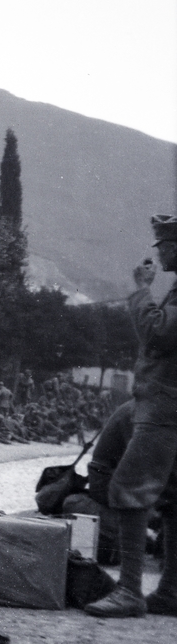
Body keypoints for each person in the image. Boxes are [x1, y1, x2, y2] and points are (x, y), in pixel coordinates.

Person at [85, 214, 177, 618]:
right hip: (167, 401)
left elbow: (158, 334)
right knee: (173, 498)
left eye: (163, 245)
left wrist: (141, 291)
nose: (158, 252)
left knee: (129, 488)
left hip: (164, 404)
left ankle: (129, 591)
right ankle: (171, 593)